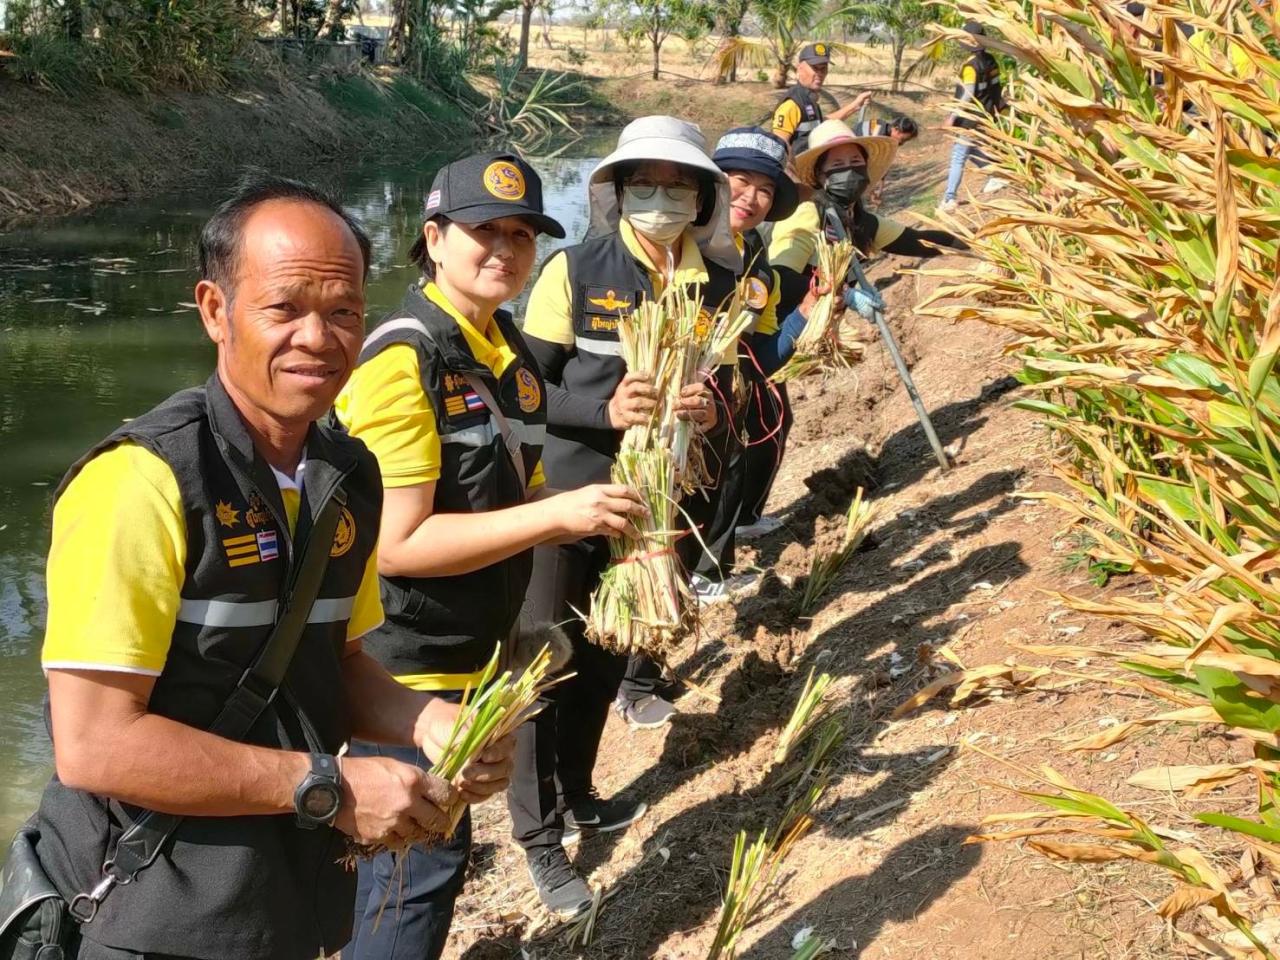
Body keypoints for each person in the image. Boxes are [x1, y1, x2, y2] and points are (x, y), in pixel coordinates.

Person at [16, 174, 515, 960]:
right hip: (153, 916)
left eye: (344, 311)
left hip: (293, 895)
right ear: (216, 310)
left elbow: (337, 663)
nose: (319, 338)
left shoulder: (347, 473)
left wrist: (432, 723)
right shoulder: (141, 483)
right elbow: (95, 745)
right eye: (285, 308)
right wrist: (329, 786)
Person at [332, 155, 643, 952]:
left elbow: (511, 501)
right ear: (434, 239)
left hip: (477, 662)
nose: (504, 249)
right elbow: (397, 548)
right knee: (410, 880)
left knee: (425, 870)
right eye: (483, 231)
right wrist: (557, 517)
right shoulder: (405, 362)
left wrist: (594, 510)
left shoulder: (514, 362)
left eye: (522, 233)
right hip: (406, 679)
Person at [513, 115, 754, 915]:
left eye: (677, 184)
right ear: (616, 192)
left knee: (608, 655)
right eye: (641, 183)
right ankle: (540, 842)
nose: (659, 197)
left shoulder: (716, 286)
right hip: (568, 498)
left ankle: (581, 790)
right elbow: (527, 390)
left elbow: (737, 391)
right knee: (543, 666)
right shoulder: (574, 271)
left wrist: (711, 409)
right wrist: (603, 407)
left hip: (657, 510)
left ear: (700, 196)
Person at [707, 128, 800, 541]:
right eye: (740, 181)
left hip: (725, 399)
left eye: (765, 189)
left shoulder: (757, 262)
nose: (750, 196)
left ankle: (710, 568)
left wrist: (808, 314)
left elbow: (762, 356)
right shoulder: (673, 248)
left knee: (741, 450)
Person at [939, 21, 1009, 212]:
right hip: (987, 114)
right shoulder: (991, 61)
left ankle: (949, 198)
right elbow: (996, 88)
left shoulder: (970, 66)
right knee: (971, 150)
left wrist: (952, 116)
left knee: (958, 156)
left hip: (968, 118)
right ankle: (996, 174)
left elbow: (968, 93)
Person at [771, 42, 874, 153]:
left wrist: (855, 106)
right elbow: (778, 148)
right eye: (815, 68)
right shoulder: (791, 104)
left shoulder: (808, 99)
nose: (820, 74)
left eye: (823, 68)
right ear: (800, 68)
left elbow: (821, 124)